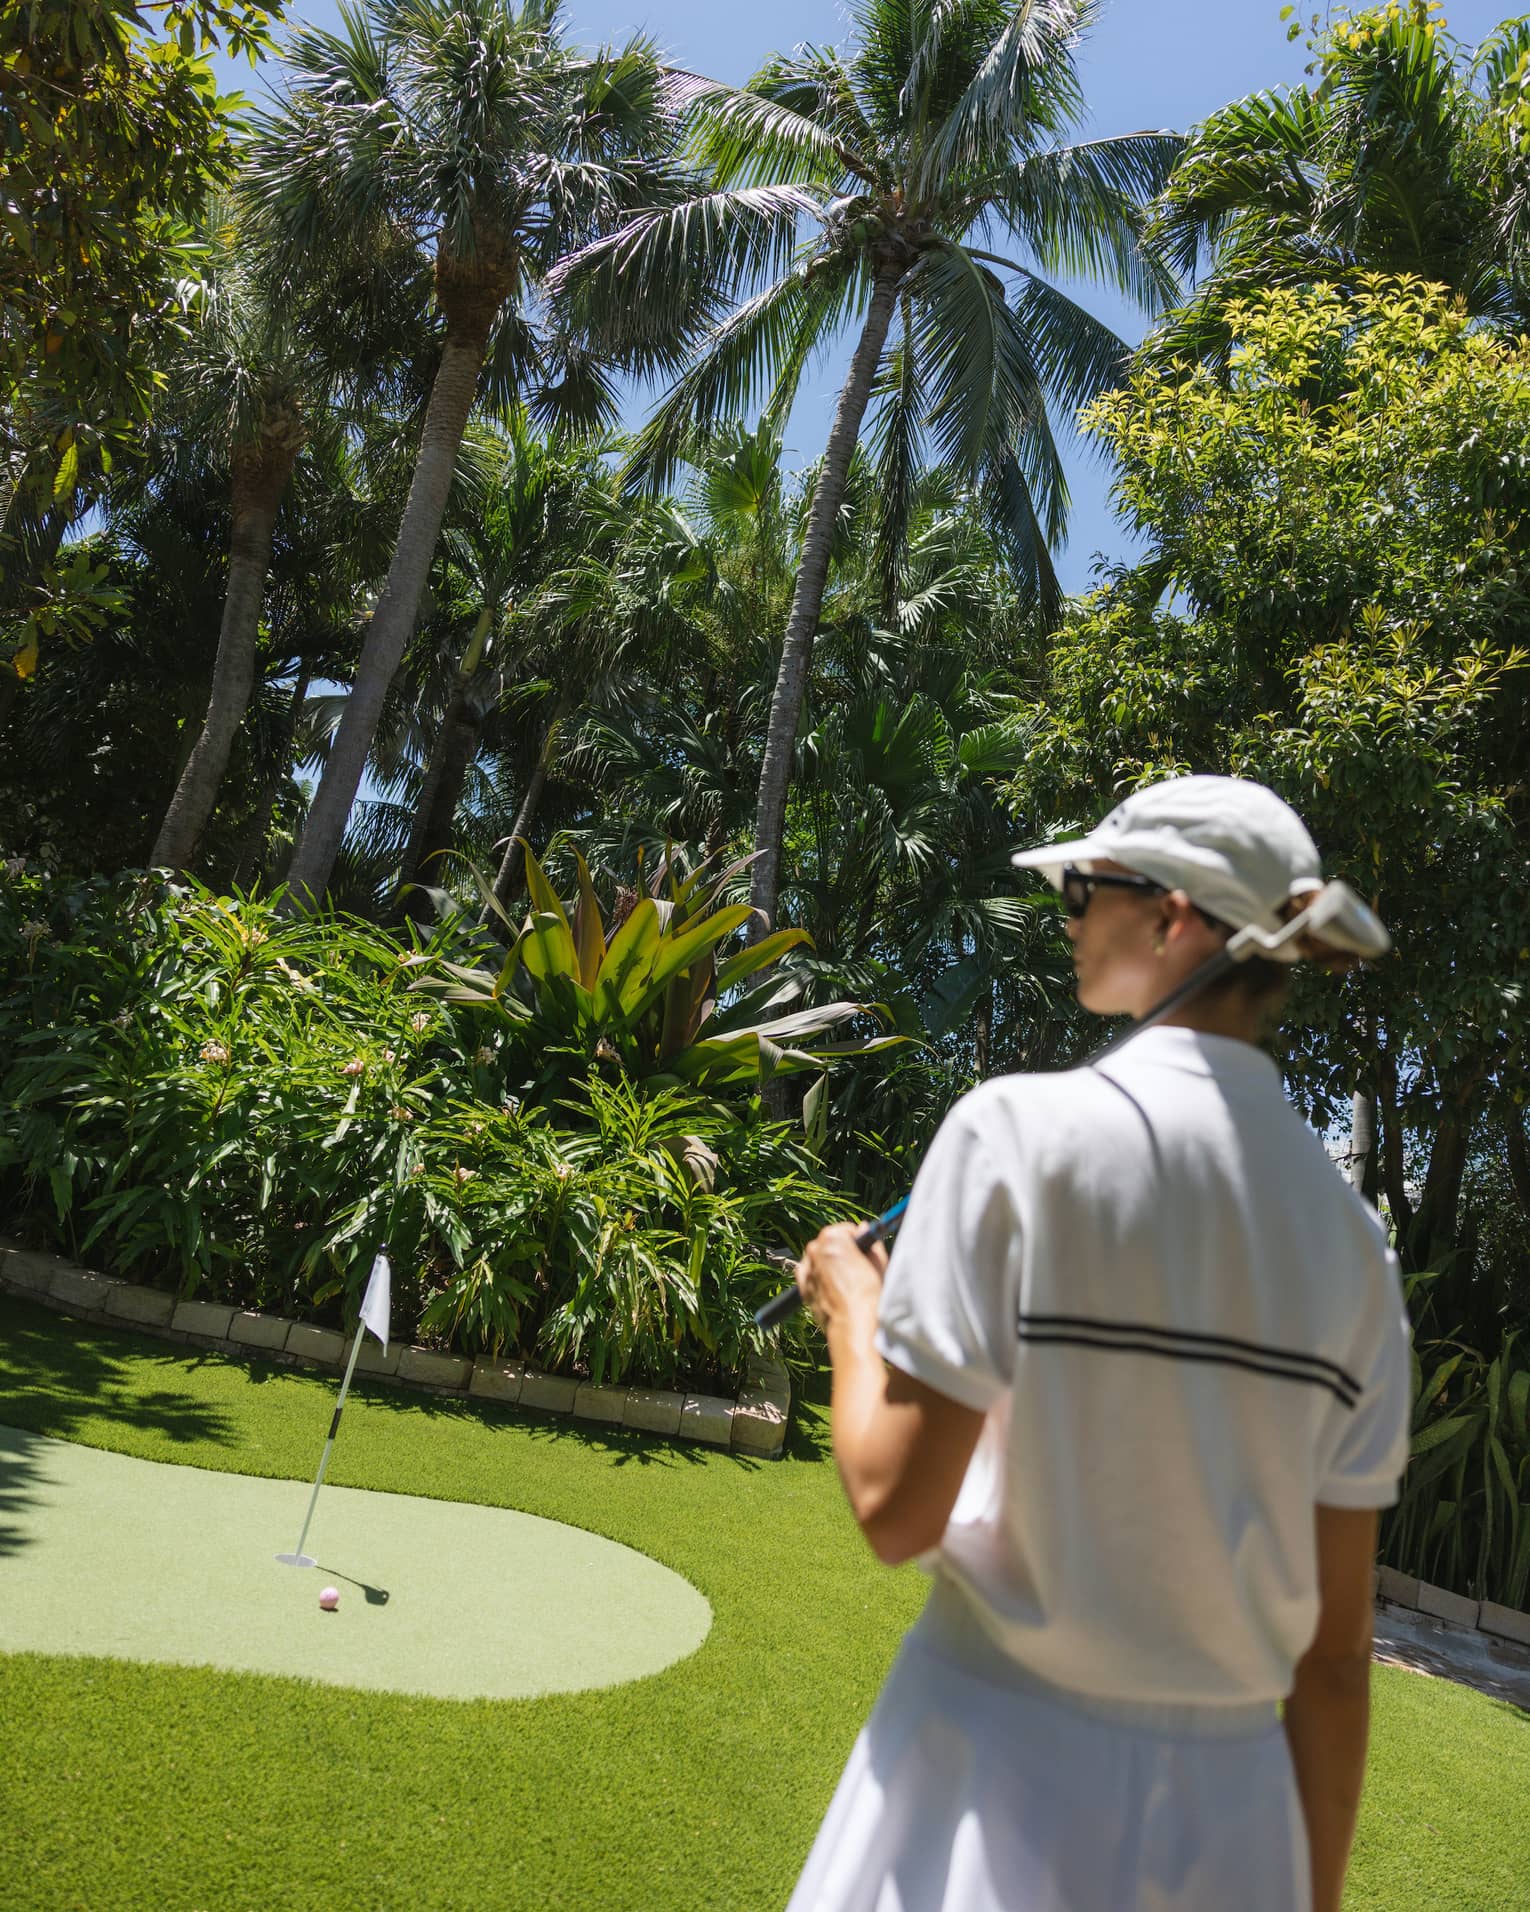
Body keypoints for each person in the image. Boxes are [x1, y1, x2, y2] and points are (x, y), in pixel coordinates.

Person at [787, 774, 1411, 1912]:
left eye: (1084, 887)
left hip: (987, 1791)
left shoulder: (1016, 1134)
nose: (1068, 915)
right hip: (1235, 1833)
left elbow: (896, 1505)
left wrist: (850, 1310)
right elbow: (1333, 1659)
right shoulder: (1355, 1247)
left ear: (1173, 917)